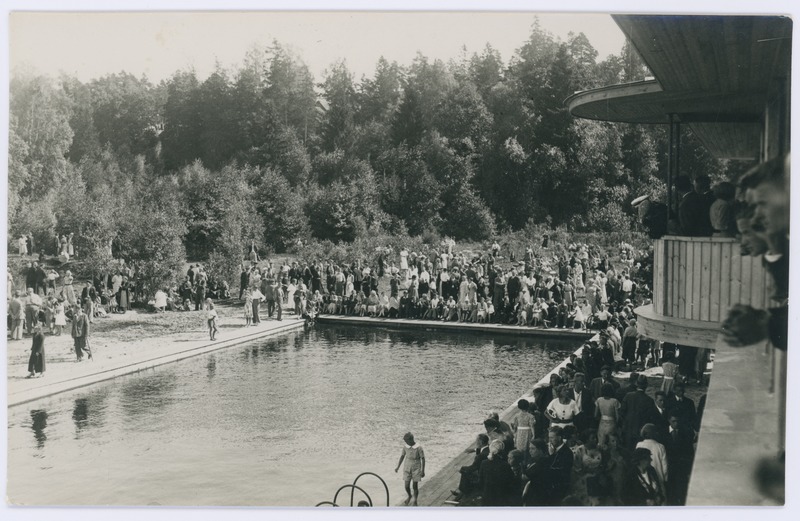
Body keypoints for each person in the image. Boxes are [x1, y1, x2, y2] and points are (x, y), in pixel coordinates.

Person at [478, 439, 517, 506]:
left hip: (487, 495)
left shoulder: (484, 463)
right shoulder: (505, 465)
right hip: (501, 496)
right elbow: (511, 481)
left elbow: (480, 481)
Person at [451, 434, 490, 501]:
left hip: (482, 477)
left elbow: (472, 468)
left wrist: (461, 468)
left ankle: (463, 494)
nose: (475, 442)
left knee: (465, 472)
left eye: (476, 440)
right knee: (466, 471)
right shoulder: (488, 449)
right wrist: (474, 450)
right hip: (487, 474)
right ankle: (461, 494)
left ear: (480, 442)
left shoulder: (480, 456)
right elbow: (481, 450)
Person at [395, 432, 425, 506]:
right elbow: (402, 456)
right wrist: (398, 467)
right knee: (406, 486)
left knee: (415, 486)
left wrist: (422, 471)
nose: (405, 442)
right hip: (407, 467)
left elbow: (423, 459)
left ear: (411, 440)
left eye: (406, 441)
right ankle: (409, 496)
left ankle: (415, 500)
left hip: (416, 467)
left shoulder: (419, 447)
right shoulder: (405, 447)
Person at [594, 382, 621, 448]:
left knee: (601, 441)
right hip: (612, 423)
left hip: (602, 423)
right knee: (611, 441)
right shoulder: (614, 401)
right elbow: (617, 416)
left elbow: (595, 415)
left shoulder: (599, 400)